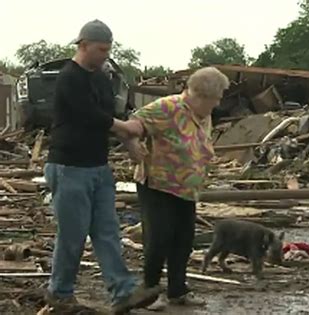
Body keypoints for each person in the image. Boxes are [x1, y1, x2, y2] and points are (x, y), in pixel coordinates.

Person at [44, 19, 157, 314]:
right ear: (83, 45)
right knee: (73, 233)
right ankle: (60, 292)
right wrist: (130, 129)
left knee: (107, 231)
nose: (106, 55)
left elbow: (108, 115)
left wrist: (131, 143)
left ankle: (123, 292)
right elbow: (92, 116)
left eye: (108, 49)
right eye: (101, 49)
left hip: (98, 167)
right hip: (69, 166)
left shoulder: (102, 79)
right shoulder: (69, 77)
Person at [122, 67, 230, 311]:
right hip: (159, 184)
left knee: (183, 240)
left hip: (186, 188)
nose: (218, 103)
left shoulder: (203, 114)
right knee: (159, 238)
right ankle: (150, 290)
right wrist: (133, 146)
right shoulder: (168, 107)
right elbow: (132, 125)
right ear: (202, 95)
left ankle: (177, 291)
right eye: (216, 98)